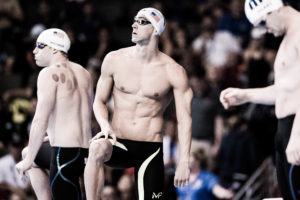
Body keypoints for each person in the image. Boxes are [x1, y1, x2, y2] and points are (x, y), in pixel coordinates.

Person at [84, 7, 193, 200]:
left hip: (150, 148)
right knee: (96, 148)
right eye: (134, 20)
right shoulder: (114, 59)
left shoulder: (173, 71)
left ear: (156, 29)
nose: (134, 24)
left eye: (142, 22)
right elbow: (99, 100)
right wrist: (104, 125)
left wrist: (184, 160)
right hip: (117, 141)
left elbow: (184, 119)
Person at [220, 0, 300, 199]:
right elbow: (284, 91)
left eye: (263, 23)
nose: (265, 31)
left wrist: (297, 135)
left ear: (274, 9)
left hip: (295, 128)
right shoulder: (288, 38)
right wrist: (245, 95)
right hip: (284, 129)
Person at [15, 28, 93, 200]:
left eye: (39, 46)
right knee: (28, 152)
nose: (34, 51)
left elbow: (39, 120)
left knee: (28, 157)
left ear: (54, 49)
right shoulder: (84, 73)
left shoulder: (48, 73)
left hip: (64, 155)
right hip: (87, 153)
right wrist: (52, 135)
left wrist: (27, 163)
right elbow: (83, 114)